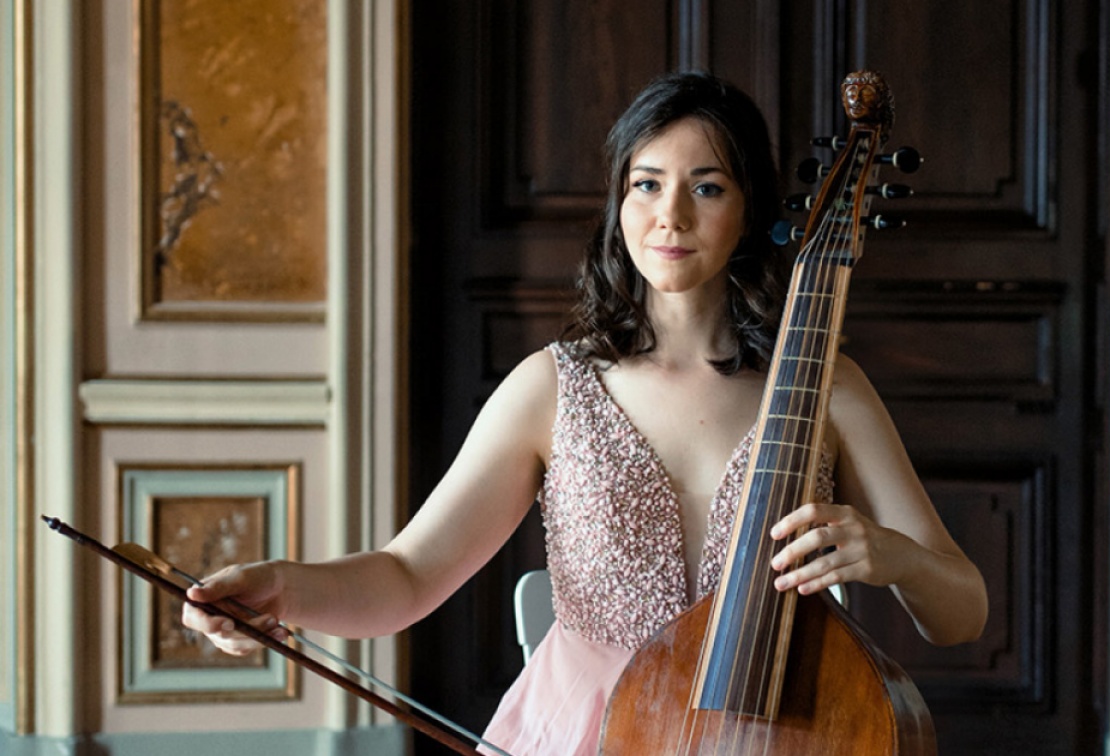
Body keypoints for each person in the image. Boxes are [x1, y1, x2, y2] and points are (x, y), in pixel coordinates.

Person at [182, 71, 988, 755]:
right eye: (647, 183)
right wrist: (281, 588)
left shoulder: (826, 389)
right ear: (619, 201)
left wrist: (893, 557)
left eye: (707, 187)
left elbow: (962, 613)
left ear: (751, 209)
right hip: (581, 737)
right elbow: (408, 575)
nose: (671, 215)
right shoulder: (553, 387)